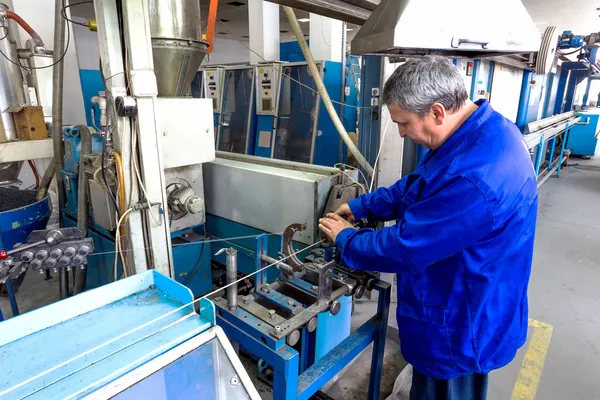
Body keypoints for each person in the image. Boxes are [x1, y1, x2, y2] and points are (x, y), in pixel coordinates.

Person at [318, 56, 537, 400]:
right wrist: (362, 206)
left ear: (436, 112)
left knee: (447, 389)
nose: (402, 133)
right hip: (469, 292)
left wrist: (347, 239)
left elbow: (408, 246)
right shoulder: (477, 131)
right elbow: (419, 185)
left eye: (403, 123)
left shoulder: (476, 178)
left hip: (462, 318)